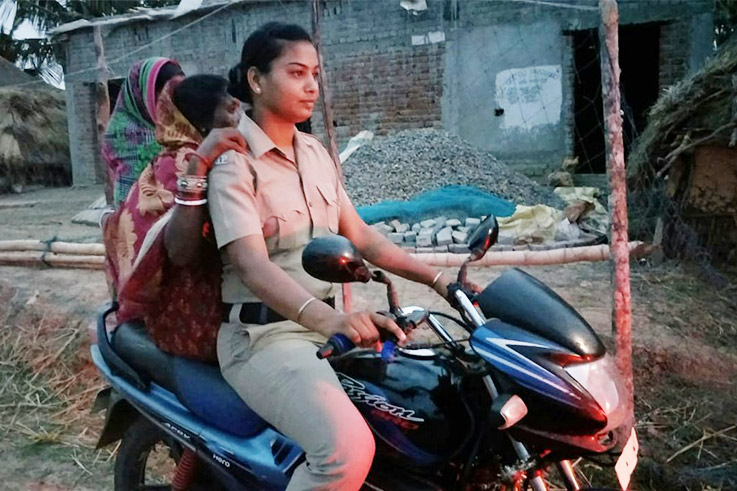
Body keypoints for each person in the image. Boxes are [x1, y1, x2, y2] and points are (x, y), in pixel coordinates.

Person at [209, 22, 452, 489]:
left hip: (327, 332)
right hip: (264, 339)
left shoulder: (316, 152)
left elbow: (361, 236)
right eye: (297, 73)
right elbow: (251, 265)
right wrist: (330, 320)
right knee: (346, 451)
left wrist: (441, 280)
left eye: (316, 74)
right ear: (257, 80)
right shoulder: (235, 161)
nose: (312, 86)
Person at [103, 74, 246, 361]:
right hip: (193, 316)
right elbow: (182, 252)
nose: (241, 115)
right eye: (234, 109)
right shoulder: (186, 164)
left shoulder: (183, 159)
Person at [102, 57, 185, 207]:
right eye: (166, 93)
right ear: (147, 94)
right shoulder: (124, 136)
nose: (173, 100)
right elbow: (126, 203)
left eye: (179, 91)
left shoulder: (185, 127)